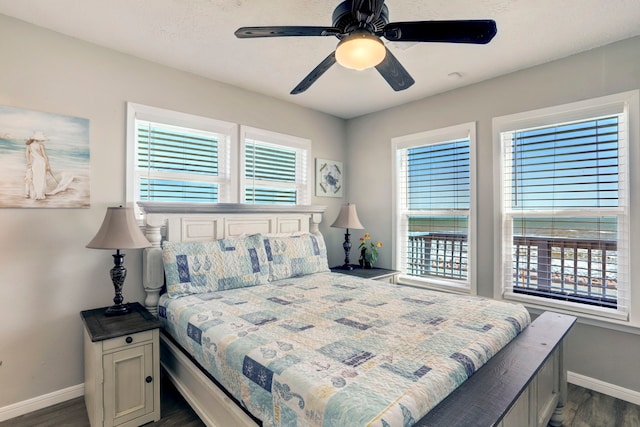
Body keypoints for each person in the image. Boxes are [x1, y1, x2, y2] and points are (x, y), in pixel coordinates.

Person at [24, 131, 51, 200]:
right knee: (41, 178)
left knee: (35, 178)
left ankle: (35, 194)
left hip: (35, 163)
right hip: (42, 163)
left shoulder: (29, 145)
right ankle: (40, 194)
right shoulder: (41, 145)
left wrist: (28, 163)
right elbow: (45, 156)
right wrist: (48, 165)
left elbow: (27, 155)